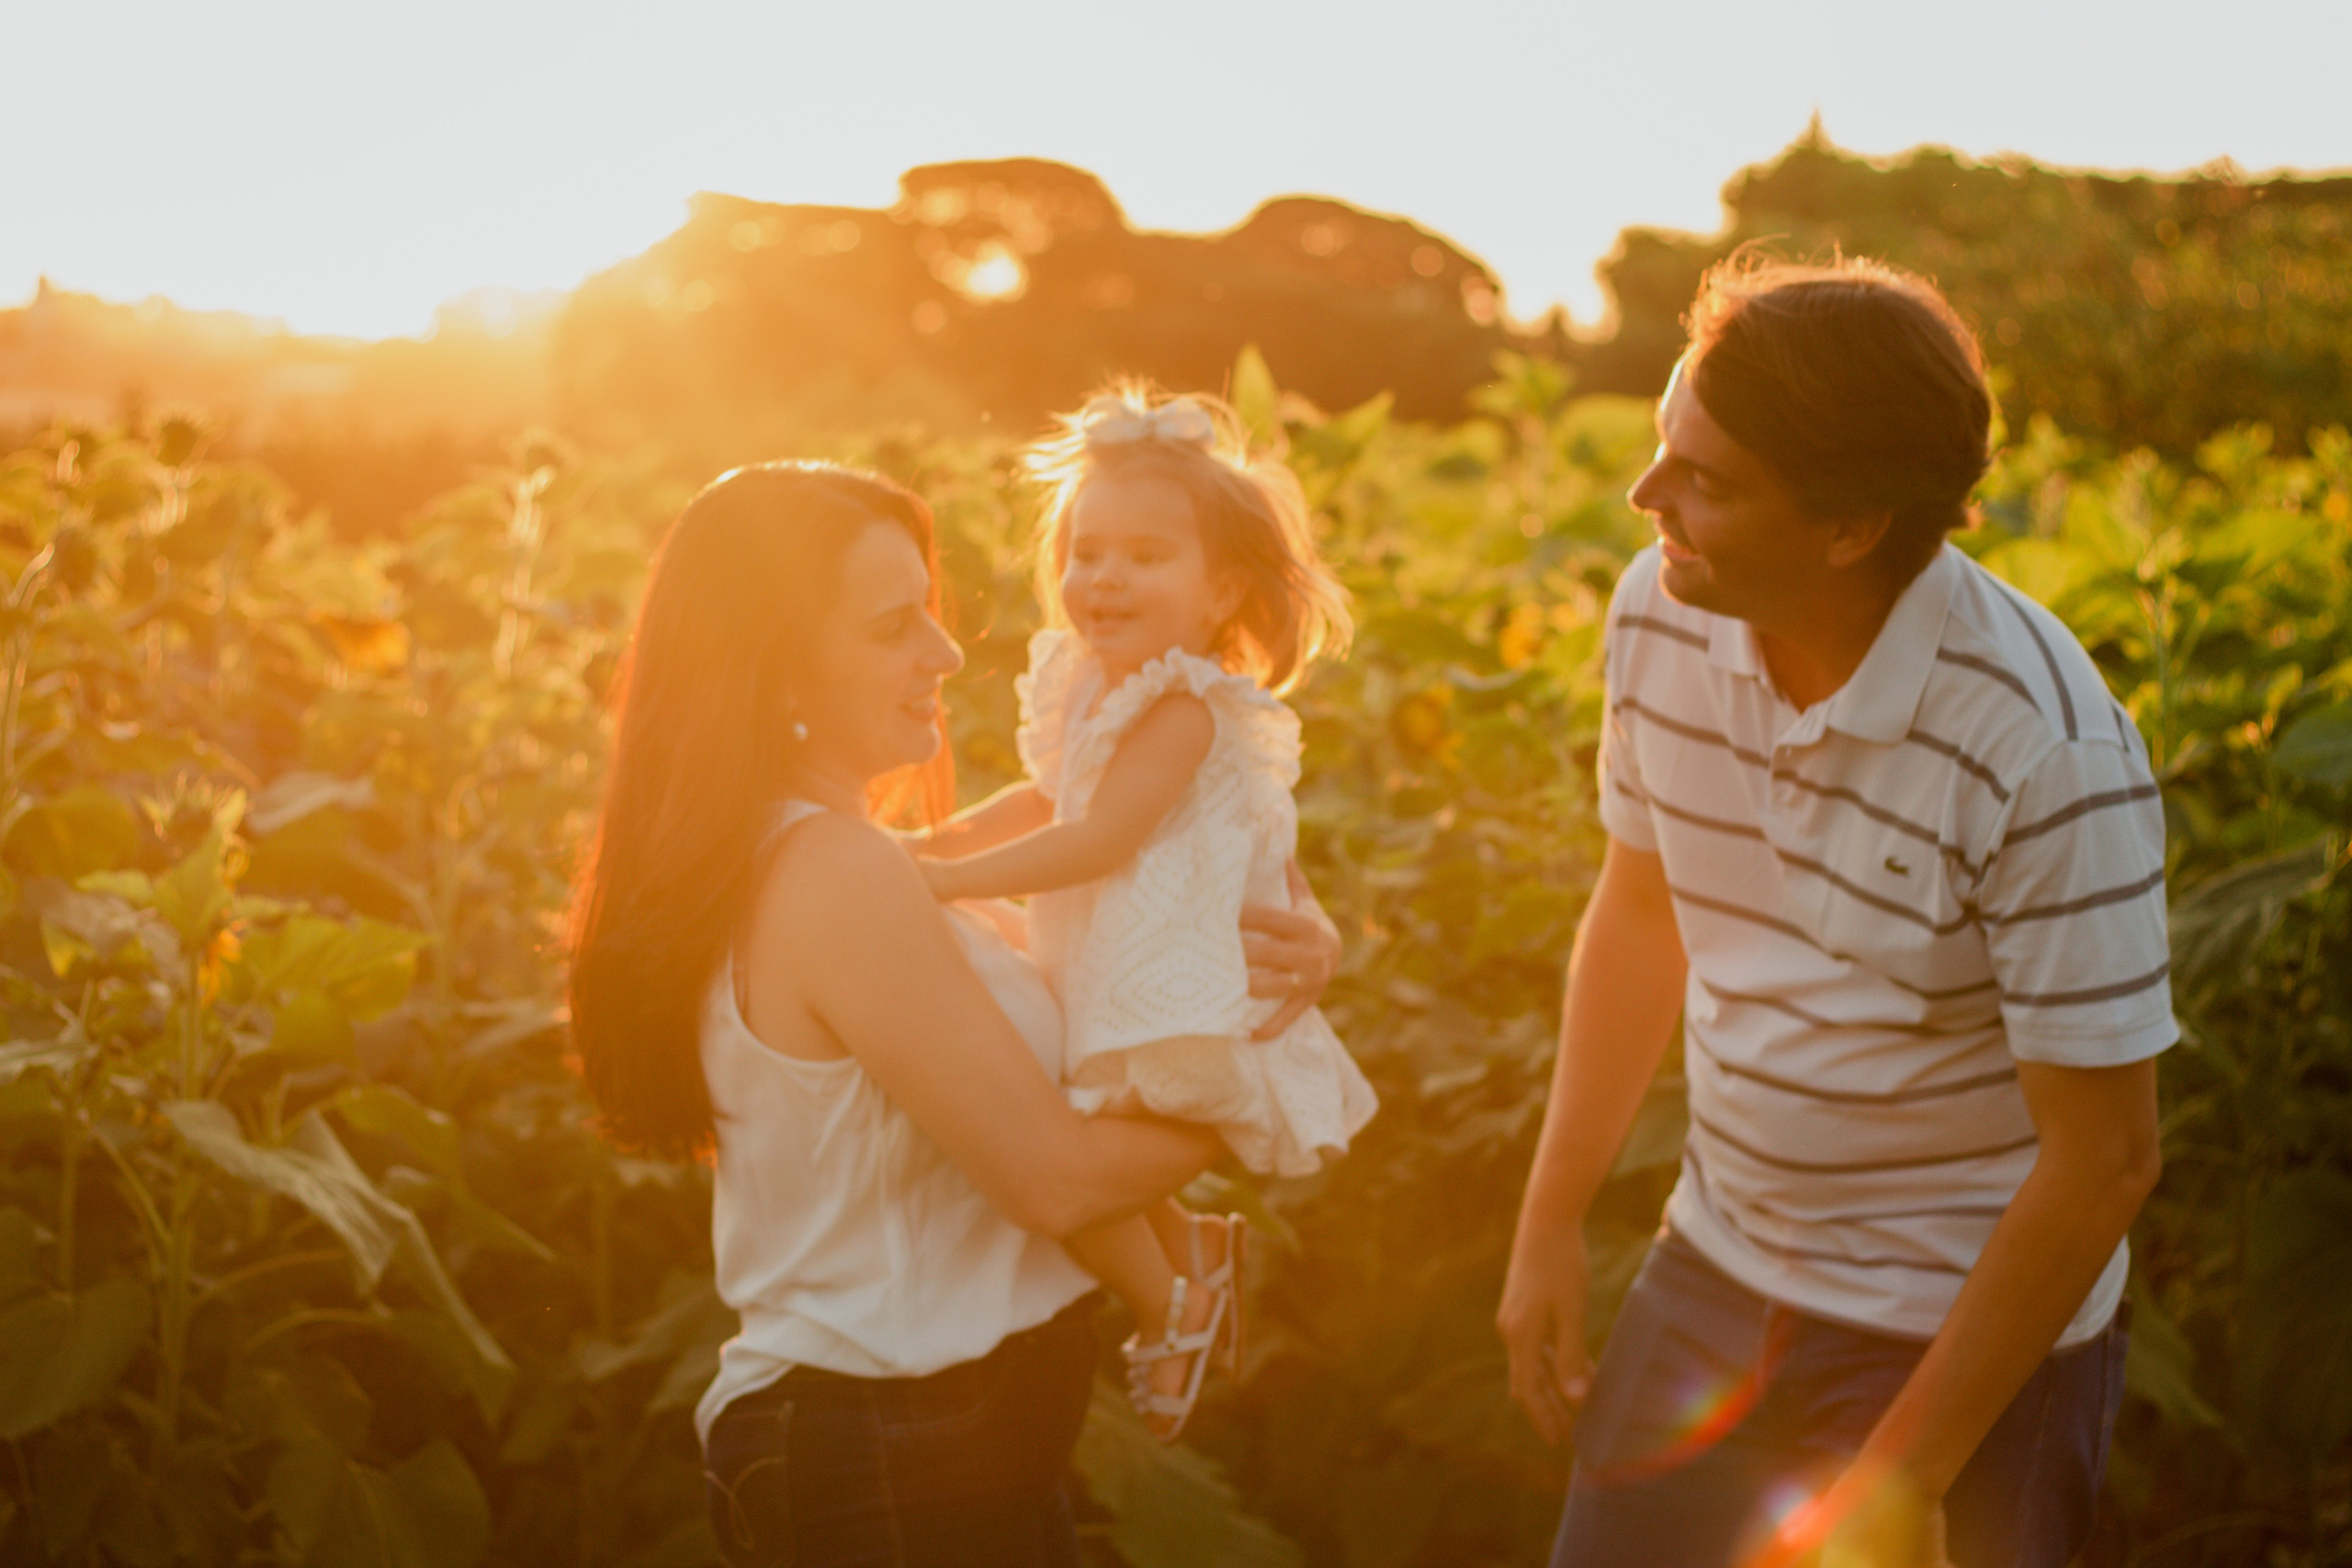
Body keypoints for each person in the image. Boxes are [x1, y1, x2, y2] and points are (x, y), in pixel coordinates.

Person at [1498, 257, 2170, 1568]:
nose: (1647, 501)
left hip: (1964, 1334)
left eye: (1706, 480)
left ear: (1852, 526)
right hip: (1716, 1265)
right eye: (1661, 446)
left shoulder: (2045, 751)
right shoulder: (1662, 609)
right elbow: (1645, 909)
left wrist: (1901, 1472)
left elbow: (2106, 1160)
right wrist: (1551, 1213)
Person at [565, 462, 1341, 1567]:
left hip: (934, 1446)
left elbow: (1100, 1007)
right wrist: (1261, 1076)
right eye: (893, 627)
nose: (944, 652)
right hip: (884, 1453)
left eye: (930, 609)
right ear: (773, 670)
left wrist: (1297, 953)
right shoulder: (831, 873)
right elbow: (1055, 1176)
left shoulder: (851, 861)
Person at [915, 387, 1378, 1439]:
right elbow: (1050, 798)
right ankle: (1195, 1260)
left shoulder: (1184, 707)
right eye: (1087, 552)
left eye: (1144, 556)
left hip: (1173, 963)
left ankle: (1167, 1300)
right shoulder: (1094, 683)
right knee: (1091, 1125)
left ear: (1222, 590)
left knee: (1075, 1149)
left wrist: (943, 884)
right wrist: (941, 842)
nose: (1104, 577)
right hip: (1106, 950)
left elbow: (1098, 839)